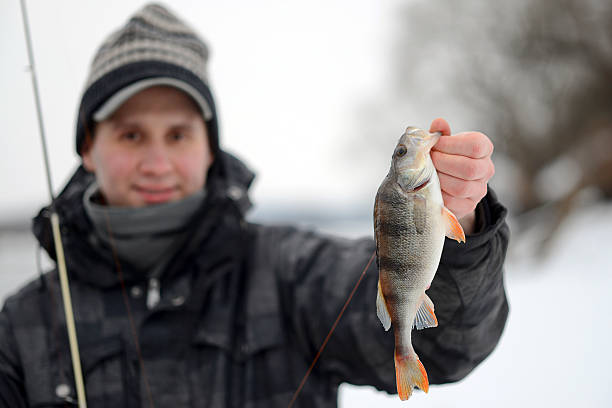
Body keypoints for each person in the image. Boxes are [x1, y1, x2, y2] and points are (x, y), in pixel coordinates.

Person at [0, 3, 509, 407]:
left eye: (178, 134)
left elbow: (451, 349)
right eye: (131, 134)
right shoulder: (20, 325)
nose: (156, 161)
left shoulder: (292, 273)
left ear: (209, 146)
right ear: (88, 147)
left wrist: (462, 224)